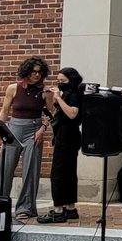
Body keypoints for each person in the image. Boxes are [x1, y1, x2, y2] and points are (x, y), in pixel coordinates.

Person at [0, 57, 51, 220]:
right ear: (26, 72)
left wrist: (43, 129)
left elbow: (51, 115)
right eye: (33, 72)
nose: (36, 75)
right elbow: (4, 110)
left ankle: (25, 207)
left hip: (34, 130)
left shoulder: (45, 91)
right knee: (5, 166)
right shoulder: (13, 88)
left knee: (31, 168)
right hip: (14, 128)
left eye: (39, 72)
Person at [39, 67, 83, 224]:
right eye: (58, 81)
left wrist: (59, 98)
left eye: (63, 81)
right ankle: (70, 208)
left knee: (58, 173)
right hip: (63, 134)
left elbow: (72, 114)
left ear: (71, 80)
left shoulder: (76, 95)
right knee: (68, 173)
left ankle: (58, 210)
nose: (60, 83)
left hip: (68, 136)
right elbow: (55, 113)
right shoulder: (68, 94)